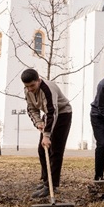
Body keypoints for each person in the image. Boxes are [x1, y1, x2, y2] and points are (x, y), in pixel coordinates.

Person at [21, 69, 73, 198]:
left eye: (32, 85)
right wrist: (38, 122)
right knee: (42, 150)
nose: (30, 89)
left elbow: (53, 112)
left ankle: (52, 186)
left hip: (63, 114)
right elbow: (31, 108)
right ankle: (46, 181)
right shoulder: (28, 91)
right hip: (49, 116)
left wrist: (46, 135)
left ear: (38, 80)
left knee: (55, 151)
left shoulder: (47, 90)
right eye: (27, 86)